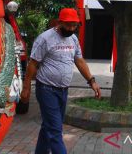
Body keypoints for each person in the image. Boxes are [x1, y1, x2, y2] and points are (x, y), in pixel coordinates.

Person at [20, 8, 101, 154]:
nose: (71, 28)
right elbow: (33, 64)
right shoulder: (45, 39)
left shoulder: (73, 39)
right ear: (60, 22)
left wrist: (92, 81)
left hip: (63, 90)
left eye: (74, 25)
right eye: (68, 25)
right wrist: (26, 88)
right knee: (55, 131)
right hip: (46, 89)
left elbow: (79, 61)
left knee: (48, 127)